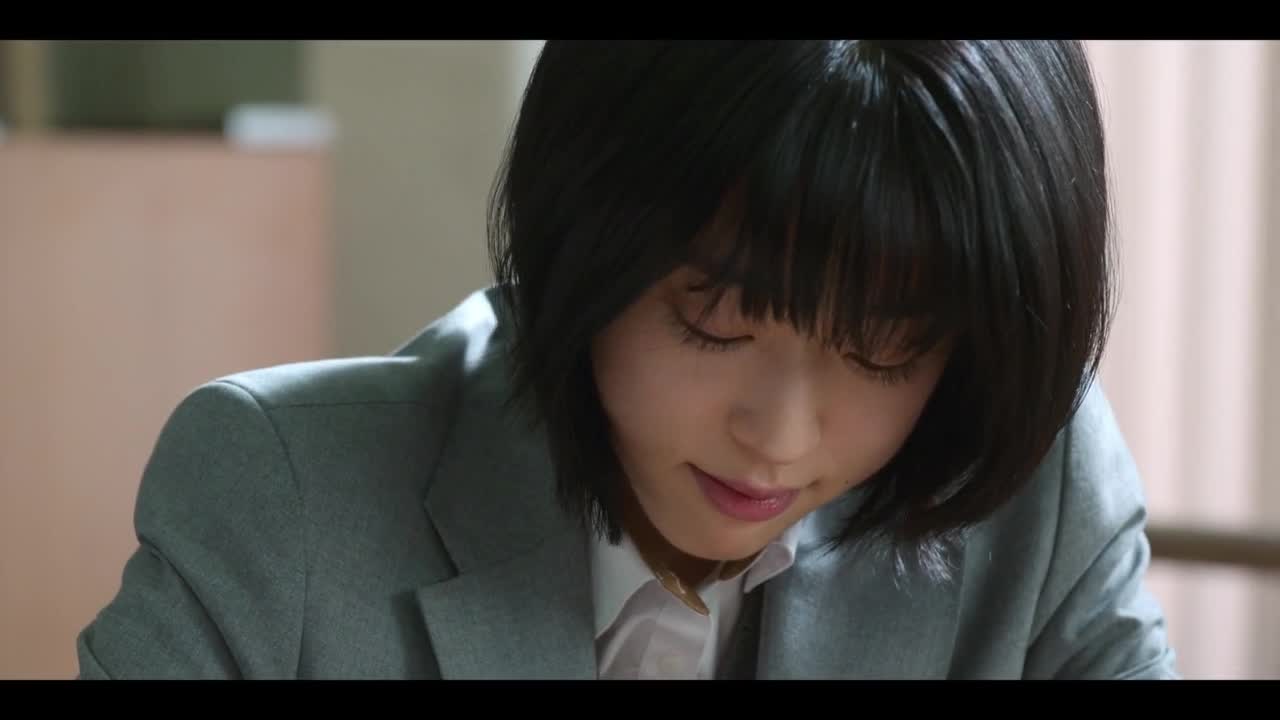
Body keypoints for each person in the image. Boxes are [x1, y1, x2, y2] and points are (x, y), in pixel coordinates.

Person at [75, 40, 1178, 680]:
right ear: (580, 240)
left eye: (885, 349)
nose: (779, 435)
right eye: (715, 318)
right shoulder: (285, 500)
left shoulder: (1034, 485)